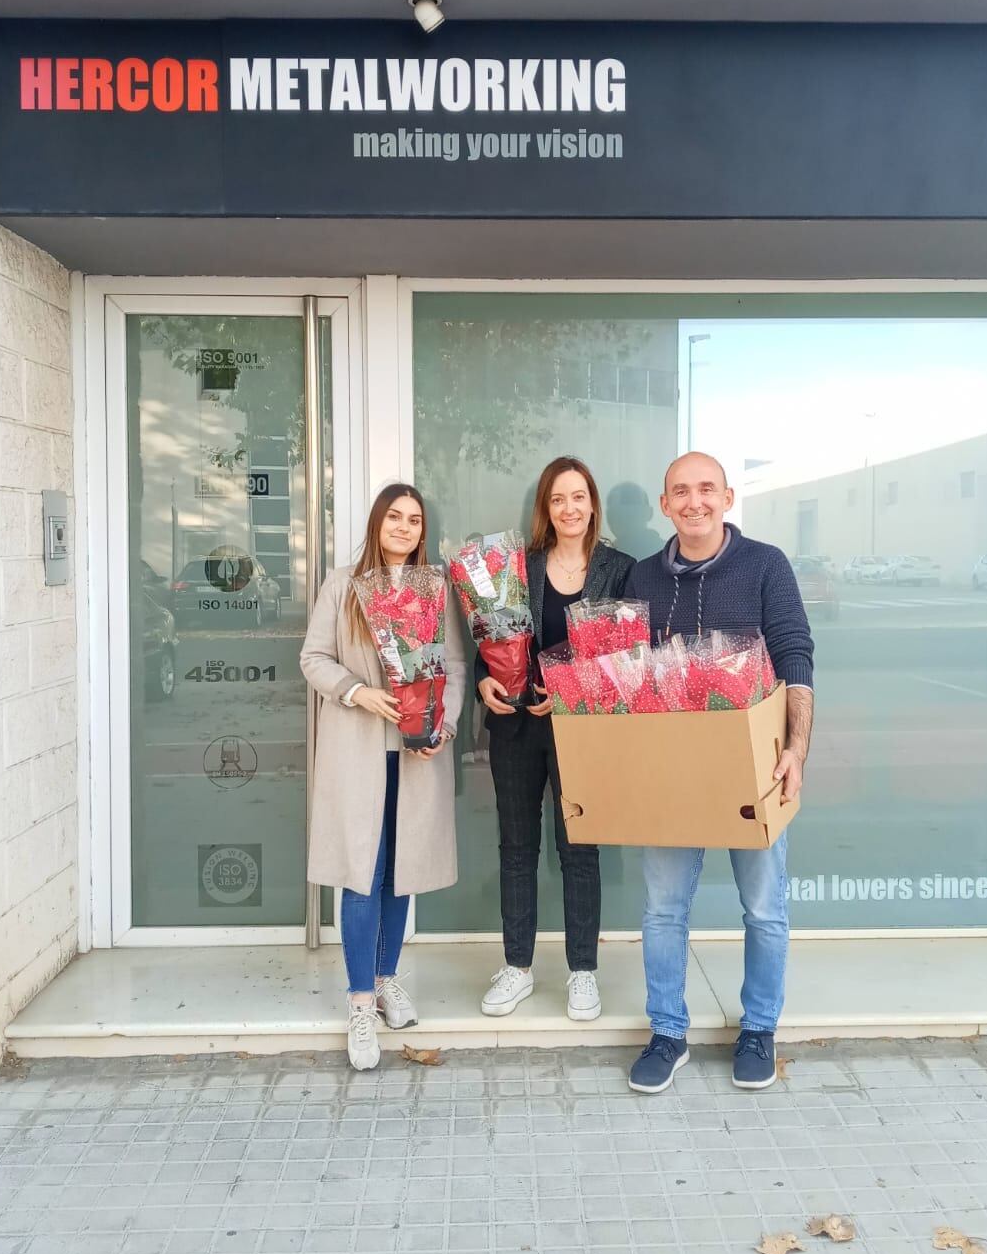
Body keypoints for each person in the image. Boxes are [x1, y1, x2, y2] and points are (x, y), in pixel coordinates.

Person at [624, 452, 814, 1095]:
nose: (694, 500)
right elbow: (622, 674)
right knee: (662, 910)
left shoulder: (765, 565)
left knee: (763, 908)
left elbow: (795, 654)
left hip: (753, 769)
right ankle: (667, 1032)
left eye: (707, 488)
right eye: (681, 490)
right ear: (664, 503)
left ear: (728, 497)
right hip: (670, 775)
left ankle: (759, 1028)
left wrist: (796, 750)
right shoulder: (642, 578)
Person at [300, 483, 466, 1072]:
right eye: (394, 516)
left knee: (402, 872)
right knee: (361, 873)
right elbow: (313, 658)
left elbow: (454, 663)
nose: (404, 527)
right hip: (360, 752)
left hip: (416, 755)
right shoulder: (343, 585)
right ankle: (360, 1001)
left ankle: (388, 976)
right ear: (376, 522)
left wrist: (440, 729)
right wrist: (358, 692)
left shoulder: (435, 588)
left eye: (415, 519)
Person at [477, 456, 634, 1023]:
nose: (569, 508)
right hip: (517, 729)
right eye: (557, 499)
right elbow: (489, 642)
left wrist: (570, 694)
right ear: (545, 508)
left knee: (579, 852)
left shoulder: (621, 569)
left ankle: (582, 973)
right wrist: (484, 682)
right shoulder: (518, 567)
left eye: (578, 496)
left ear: (592, 503)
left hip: (582, 735)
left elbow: (627, 657)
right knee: (517, 851)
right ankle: (517, 967)